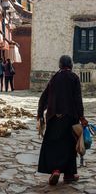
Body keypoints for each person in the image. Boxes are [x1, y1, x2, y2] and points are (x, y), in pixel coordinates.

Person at [37, 55, 88, 185]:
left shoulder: (54, 78)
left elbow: (44, 97)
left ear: (60, 65)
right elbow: (78, 99)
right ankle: (68, 175)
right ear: (70, 65)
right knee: (69, 145)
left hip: (54, 117)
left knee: (54, 145)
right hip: (70, 117)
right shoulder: (74, 78)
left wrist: (40, 114)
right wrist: (82, 117)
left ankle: (55, 171)